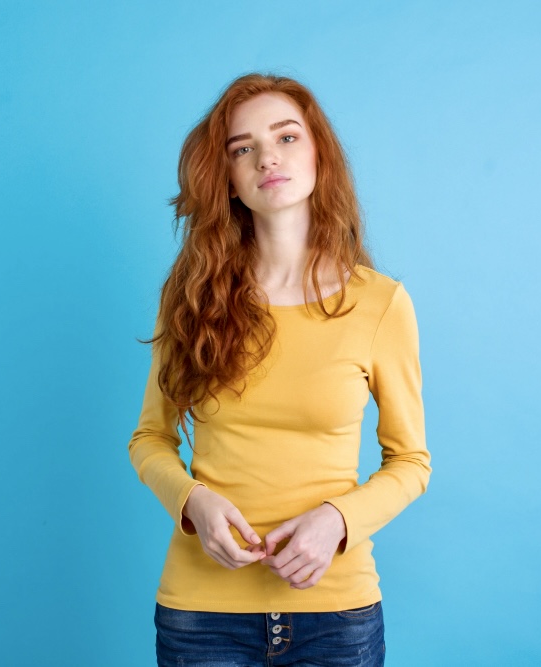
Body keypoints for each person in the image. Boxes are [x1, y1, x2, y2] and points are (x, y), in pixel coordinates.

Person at [127, 72, 431, 667]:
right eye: (243, 148)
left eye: (287, 137)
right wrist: (192, 502)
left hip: (337, 618)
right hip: (201, 618)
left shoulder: (381, 303)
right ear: (231, 180)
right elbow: (150, 439)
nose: (268, 156)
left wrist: (338, 522)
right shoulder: (190, 297)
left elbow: (411, 463)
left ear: (320, 153)